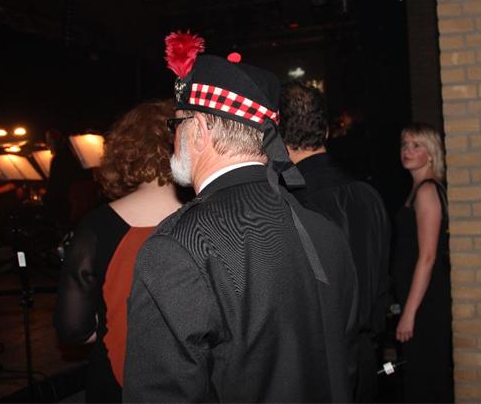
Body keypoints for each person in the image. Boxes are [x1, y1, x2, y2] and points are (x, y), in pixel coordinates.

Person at [122, 31, 358, 402]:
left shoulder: (178, 248)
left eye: (176, 125)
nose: (172, 139)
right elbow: (343, 361)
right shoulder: (325, 230)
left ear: (199, 130)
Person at [54, 99, 183, 403]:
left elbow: (73, 329)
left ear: (124, 152)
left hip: (117, 385)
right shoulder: (213, 218)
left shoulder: (95, 227)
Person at [279, 81, 392, 402]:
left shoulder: (288, 204)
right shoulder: (369, 196)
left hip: (316, 368)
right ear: (327, 131)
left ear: (279, 137)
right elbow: (381, 282)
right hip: (366, 359)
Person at [391, 122, 453, 403]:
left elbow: (427, 257)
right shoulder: (419, 189)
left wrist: (409, 313)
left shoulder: (427, 191)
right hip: (419, 298)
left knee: (425, 380)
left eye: (416, 145)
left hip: (426, 303)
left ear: (431, 153)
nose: (407, 150)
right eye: (405, 144)